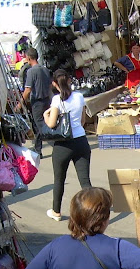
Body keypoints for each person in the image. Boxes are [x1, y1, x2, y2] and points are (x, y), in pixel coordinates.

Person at [43, 69, 92, 221]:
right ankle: (93, 210)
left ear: (54, 84)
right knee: (85, 181)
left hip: (63, 145)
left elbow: (51, 124)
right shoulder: (79, 96)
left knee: (59, 179)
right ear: (70, 80)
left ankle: (56, 211)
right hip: (81, 141)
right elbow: (83, 121)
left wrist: (46, 115)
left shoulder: (57, 100)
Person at [23, 47, 52, 156]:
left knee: (41, 126)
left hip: (37, 102)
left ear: (29, 58)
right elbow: (49, 85)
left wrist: (20, 103)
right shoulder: (45, 69)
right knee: (40, 125)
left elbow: (28, 89)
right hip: (46, 100)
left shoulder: (31, 71)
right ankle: (38, 148)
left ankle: (55, 143)